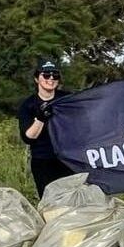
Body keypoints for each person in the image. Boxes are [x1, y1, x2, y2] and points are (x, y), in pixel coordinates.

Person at [17, 58, 75, 197]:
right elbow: (28, 137)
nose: (51, 79)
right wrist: (40, 118)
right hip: (43, 161)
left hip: (69, 158)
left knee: (72, 199)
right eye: (46, 75)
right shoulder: (28, 105)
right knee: (50, 202)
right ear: (37, 79)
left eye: (55, 75)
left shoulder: (67, 99)